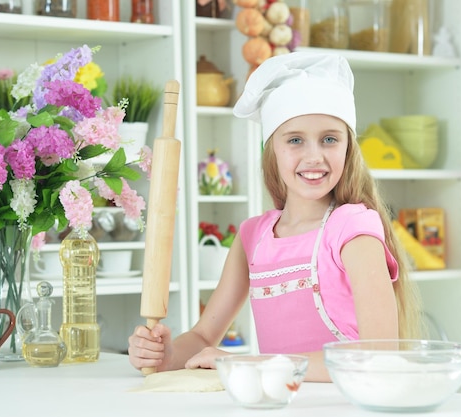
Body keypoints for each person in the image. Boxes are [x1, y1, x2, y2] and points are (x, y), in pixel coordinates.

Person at [128, 52, 423, 382]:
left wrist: (253, 363)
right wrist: (166, 355)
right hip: (278, 404)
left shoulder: (353, 229)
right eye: (295, 140)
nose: (314, 156)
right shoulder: (253, 236)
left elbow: (379, 355)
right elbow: (201, 338)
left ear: (347, 149)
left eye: (329, 139)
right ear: (272, 150)